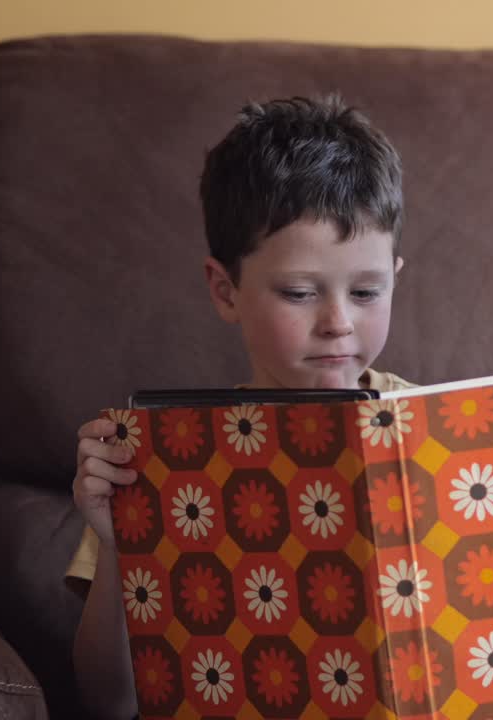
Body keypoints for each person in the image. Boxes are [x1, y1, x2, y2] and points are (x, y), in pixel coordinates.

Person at [66, 95, 413, 718]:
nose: (338, 322)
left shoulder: (429, 424)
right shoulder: (166, 457)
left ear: (395, 276)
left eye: (367, 292)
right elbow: (108, 701)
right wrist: (119, 546)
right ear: (226, 291)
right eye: (299, 293)